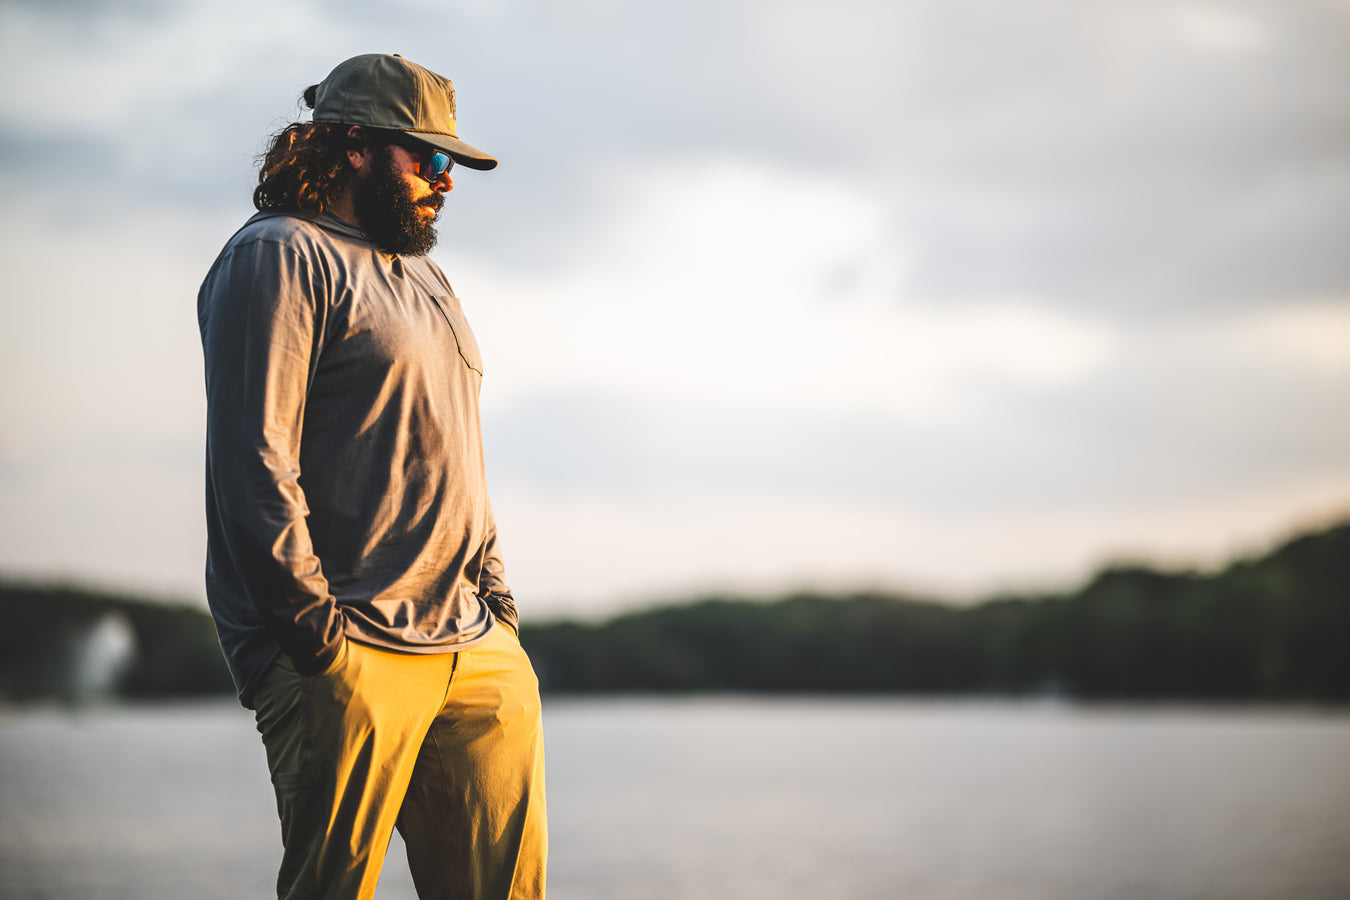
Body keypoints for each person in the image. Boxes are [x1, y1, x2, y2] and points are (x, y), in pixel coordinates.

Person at [197, 53, 546, 900]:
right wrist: (317, 635)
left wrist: (498, 607)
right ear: (354, 144)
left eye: (450, 162)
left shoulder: (428, 277)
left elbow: (457, 447)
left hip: (474, 646)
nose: (444, 180)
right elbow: (254, 460)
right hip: (348, 647)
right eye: (427, 157)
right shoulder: (279, 254)